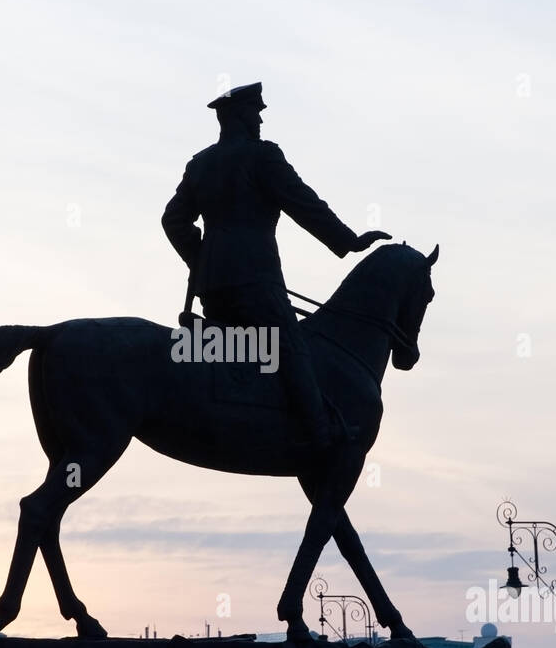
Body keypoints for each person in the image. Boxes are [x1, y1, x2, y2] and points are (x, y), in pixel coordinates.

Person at [162, 81, 388, 448]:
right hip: (255, 278)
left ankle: (243, 414)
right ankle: (320, 430)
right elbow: (303, 203)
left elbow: (173, 220)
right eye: (256, 112)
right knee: (290, 344)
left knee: (244, 349)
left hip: (213, 286)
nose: (261, 120)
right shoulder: (262, 156)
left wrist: (201, 259)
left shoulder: (200, 164)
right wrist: (348, 240)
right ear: (238, 115)